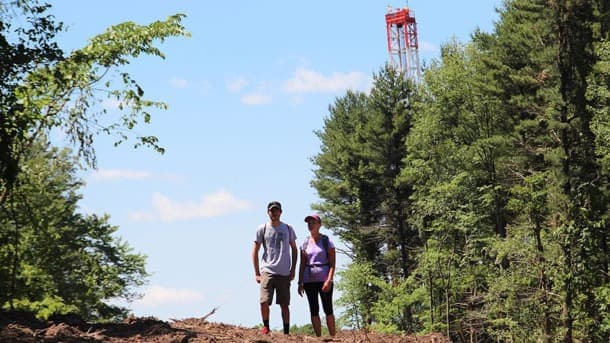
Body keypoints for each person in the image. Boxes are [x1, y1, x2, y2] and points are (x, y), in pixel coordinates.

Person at [252, 201, 298, 335]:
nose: (274, 213)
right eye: (272, 210)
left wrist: (293, 269)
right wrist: (257, 273)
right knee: (264, 301)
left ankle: (286, 332)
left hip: (284, 272)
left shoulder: (288, 228)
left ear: (281, 212)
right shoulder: (263, 228)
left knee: (284, 304)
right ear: (268, 212)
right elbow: (255, 251)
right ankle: (266, 327)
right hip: (267, 270)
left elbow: (294, 249)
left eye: (277, 210)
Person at [297, 213, 336, 337]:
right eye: (309, 223)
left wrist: (329, 280)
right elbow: (302, 264)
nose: (311, 225)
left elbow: (332, 264)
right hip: (309, 280)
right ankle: (319, 337)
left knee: (328, 308)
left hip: (324, 279)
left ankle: (333, 337)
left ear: (319, 225)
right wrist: (300, 282)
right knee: (314, 309)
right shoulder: (305, 243)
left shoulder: (326, 241)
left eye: (313, 222)